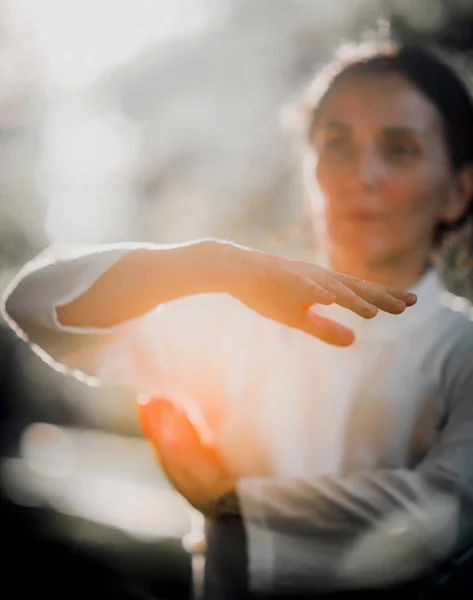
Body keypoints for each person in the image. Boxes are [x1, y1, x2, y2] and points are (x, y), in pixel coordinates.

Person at [2, 26, 473, 598]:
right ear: (309, 174)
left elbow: (448, 512)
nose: (361, 174)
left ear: (456, 189)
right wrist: (212, 264)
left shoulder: (463, 349)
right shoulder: (232, 317)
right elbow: (37, 303)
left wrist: (232, 504)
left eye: (399, 148)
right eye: (337, 145)